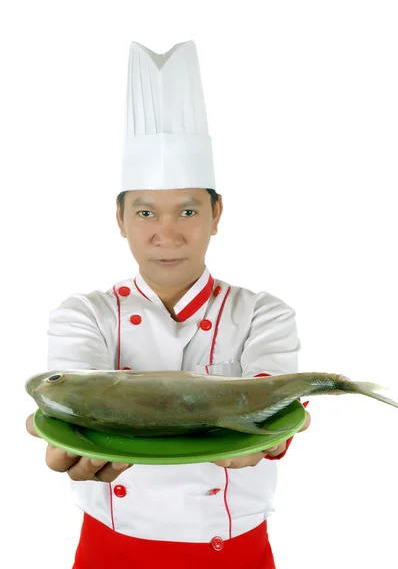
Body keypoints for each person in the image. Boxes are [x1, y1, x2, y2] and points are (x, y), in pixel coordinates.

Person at [26, 40, 311, 569]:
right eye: (144, 213)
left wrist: (267, 441)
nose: (166, 234)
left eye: (186, 210)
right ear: (119, 219)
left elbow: (274, 405)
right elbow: (78, 398)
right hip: (110, 547)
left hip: (232, 551)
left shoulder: (263, 314)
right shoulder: (83, 313)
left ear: (217, 212)